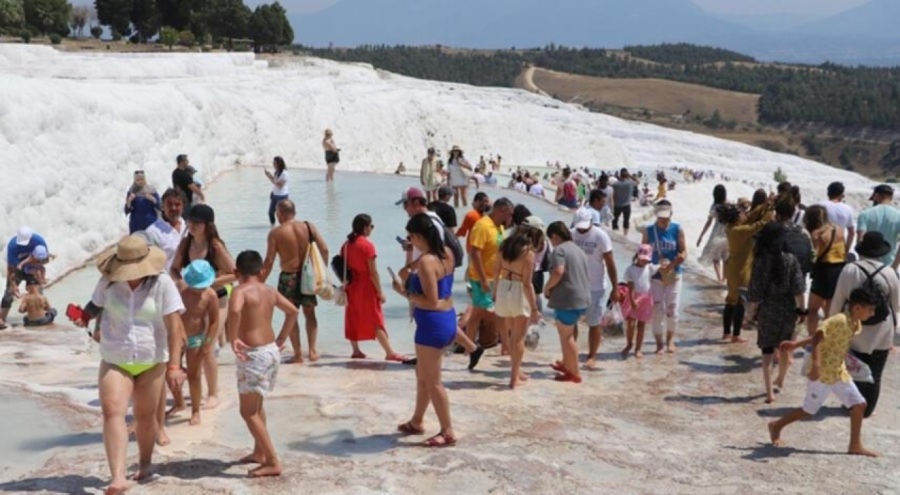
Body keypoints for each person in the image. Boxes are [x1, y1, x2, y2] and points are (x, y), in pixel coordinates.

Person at [72, 235, 187, 493]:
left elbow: (175, 327)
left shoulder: (162, 284)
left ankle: (145, 463)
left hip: (151, 359)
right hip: (115, 357)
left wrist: (175, 366)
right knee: (112, 411)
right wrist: (85, 316)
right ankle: (118, 477)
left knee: (145, 418)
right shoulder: (109, 282)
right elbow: (94, 305)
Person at [768, 287, 878, 458]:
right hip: (822, 373)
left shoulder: (856, 324)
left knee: (859, 405)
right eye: (870, 309)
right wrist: (816, 365)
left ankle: (855, 445)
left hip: (838, 372)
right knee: (809, 410)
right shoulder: (839, 320)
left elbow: (823, 337)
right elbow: (819, 335)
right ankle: (776, 425)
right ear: (857, 308)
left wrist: (796, 345)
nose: (872, 314)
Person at [227, 250, 300, 477]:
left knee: (247, 412)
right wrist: (281, 338)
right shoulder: (269, 290)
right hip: (270, 351)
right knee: (257, 406)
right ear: (261, 271)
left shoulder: (239, 290)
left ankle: (272, 460)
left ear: (236, 272)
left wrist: (233, 338)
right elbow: (293, 311)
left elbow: (235, 310)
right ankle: (260, 452)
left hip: (253, 355)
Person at [392, 213, 458, 447]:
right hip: (446, 318)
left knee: (433, 381)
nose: (411, 242)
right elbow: (439, 293)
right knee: (423, 375)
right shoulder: (447, 254)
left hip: (432, 324)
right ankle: (417, 420)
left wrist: (404, 292)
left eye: (411, 237)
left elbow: (430, 300)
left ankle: (447, 430)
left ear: (419, 236)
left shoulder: (427, 262)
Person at [398, 187, 483, 368]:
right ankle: (472, 348)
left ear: (415, 203)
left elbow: (435, 249)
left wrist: (413, 271)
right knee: (439, 311)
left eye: (406, 205)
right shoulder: (427, 220)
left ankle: (428, 353)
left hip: (431, 273)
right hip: (430, 271)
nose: (405, 209)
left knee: (431, 308)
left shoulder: (429, 222)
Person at [171, 204, 236, 410]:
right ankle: (190, 390)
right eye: (189, 221)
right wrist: (181, 281)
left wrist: (210, 283)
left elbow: (235, 273)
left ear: (207, 224)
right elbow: (174, 268)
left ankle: (213, 393)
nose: (191, 225)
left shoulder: (215, 246)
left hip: (217, 297)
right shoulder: (186, 243)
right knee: (188, 343)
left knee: (208, 345)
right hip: (191, 299)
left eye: (196, 222)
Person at [829, 232, 899, 418]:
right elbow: (896, 305)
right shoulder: (889, 272)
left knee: (853, 369)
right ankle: (867, 410)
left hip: (854, 327)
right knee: (875, 372)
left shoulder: (850, 269)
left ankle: (852, 404)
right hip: (882, 331)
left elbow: (838, 300)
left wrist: (832, 325)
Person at [746, 222, 807, 403]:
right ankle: (780, 378)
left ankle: (768, 393)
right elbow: (799, 289)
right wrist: (802, 310)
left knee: (766, 351)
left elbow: (755, 292)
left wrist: (751, 313)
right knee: (784, 346)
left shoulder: (761, 260)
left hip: (768, 310)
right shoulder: (790, 259)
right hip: (788, 309)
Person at [261, 200, 328, 363]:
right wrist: (321, 272)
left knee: (290, 314)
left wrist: (260, 282)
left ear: (280, 213)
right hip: (308, 276)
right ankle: (312, 351)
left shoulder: (276, 233)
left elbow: (269, 261)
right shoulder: (309, 227)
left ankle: (298, 354)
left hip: (288, 277)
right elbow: (324, 249)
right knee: (310, 314)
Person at [342, 214, 407, 361]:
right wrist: (380, 292)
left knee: (352, 316)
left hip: (351, 285)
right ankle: (389, 352)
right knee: (375, 318)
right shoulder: (367, 245)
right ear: (365, 228)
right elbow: (373, 273)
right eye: (371, 226)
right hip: (366, 286)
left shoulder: (346, 245)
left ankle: (356, 350)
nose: (372, 229)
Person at [494, 216, 544, 388]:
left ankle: (516, 371)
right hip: (517, 290)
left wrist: (495, 293)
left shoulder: (505, 245)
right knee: (519, 337)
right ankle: (514, 378)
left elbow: (496, 270)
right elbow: (527, 283)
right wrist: (535, 308)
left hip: (503, 287)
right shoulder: (528, 253)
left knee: (511, 335)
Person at [570, 208, 620, 369]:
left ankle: (592, 355)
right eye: (579, 226)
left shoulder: (601, 236)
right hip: (575, 285)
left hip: (596, 286)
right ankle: (572, 353)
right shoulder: (571, 234)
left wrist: (616, 287)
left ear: (591, 222)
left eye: (584, 226)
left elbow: (611, 263)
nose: (582, 229)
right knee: (571, 322)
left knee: (594, 323)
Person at [719, 201, 773, 342]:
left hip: (733, 268)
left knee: (731, 299)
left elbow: (751, 217)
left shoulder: (732, 228)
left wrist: (764, 204)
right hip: (741, 269)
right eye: (742, 214)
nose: (745, 215)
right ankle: (735, 335)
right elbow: (760, 224)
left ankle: (726, 333)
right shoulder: (740, 231)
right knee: (739, 301)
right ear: (737, 218)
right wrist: (770, 211)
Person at [545, 222, 591, 383]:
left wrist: (546, 287)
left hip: (567, 299)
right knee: (567, 334)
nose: (551, 243)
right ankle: (567, 364)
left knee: (567, 337)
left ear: (555, 236)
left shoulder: (559, 250)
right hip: (582, 297)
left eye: (550, 240)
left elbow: (558, 272)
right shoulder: (578, 249)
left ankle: (575, 373)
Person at [466, 198, 514, 352]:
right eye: (509, 214)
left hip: (498, 278)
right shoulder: (482, 226)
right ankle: (469, 348)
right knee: (477, 314)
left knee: (501, 313)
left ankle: (506, 347)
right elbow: (475, 253)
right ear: (501, 210)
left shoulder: (498, 226)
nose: (510, 218)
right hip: (482, 278)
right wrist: (483, 279)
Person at [642, 200, 687, 353]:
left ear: (671, 214)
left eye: (666, 217)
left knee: (672, 309)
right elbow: (642, 253)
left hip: (673, 275)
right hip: (655, 275)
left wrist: (674, 263)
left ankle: (670, 340)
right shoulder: (649, 231)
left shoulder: (677, 229)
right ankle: (659, 344)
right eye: (660, 217)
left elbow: (683, 252)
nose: (663, 220)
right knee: (657, 310)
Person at [179, 259, 219, 426]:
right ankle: (178, 402)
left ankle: (196, 410)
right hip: (177, 336)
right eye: (197, 286)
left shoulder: (210, 295)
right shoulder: (180, 289)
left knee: (194, 376)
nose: (200, 289)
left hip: (197, 337)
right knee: (170, 372)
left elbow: (215, 321)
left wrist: (208, 343)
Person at [805, 204, 847, 337]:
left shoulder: (816, 234)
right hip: (839, 270)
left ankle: (813, 340)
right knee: (830, 309)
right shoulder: (839, 229)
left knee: (812, 310)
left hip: (824, 271)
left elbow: (814, 256)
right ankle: (829, 339)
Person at [1, 227, 48, 329]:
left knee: (38, 294)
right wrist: (13, 285)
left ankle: (39, 318)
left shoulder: (39, 241)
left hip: (33, 269)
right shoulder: (13, 246)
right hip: (17, 270)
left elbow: (45, 260)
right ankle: (2, 319)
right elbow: (10, 268)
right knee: (9, 293)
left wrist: (36, 269)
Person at [621, 244, 655, 359]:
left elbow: (663, 268)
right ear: (637, 256)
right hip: (633, 297)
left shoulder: (649, 268)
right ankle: (629, 343)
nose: (643, 262)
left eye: (646, 260)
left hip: (646, 298)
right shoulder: (630, 269)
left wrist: (672, 263)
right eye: (641, 259)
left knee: (641, 325)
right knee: (631, 323)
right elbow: (630, 286)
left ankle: (638, 348)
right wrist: (632, 300)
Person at [141, 188, 188, 272]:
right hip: (168, 282)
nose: (173, 208)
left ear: (183, 207)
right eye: (169, 204)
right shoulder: (152, 232)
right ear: (163, 206)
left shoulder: (189, 228)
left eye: (177, 204)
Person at [856, 184, 900, 269]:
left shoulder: (864, 214)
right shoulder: (898, 216)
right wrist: (895, 266)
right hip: (889, 265)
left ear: (876, 195)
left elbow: (860, 240)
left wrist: (861, 262)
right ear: (891, 197)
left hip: (867, 264)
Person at [696, 184, 729, 283]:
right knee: (725, 257)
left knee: (716, 257)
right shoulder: (729, 204)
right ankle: (724, 279)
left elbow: (709, 222)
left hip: (717, 233)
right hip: (727, 233)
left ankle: (719, 279)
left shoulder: (714, 206)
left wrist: (701, 236)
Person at [819, 181, 855, 256]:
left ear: (828, 193)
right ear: (841, 194)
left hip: (821, 245)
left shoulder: (819, 205)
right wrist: (846, 249)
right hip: (839, 248)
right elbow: (851, 232)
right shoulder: (847, 209)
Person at [265, 156, 289, 227]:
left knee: (281, 214)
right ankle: (272, 226)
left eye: (275, 163)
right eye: (273, 163)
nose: (273, 165)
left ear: (279, 163)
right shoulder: (276, 172)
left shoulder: (285, 173)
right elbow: (274, 183)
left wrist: (271, 177)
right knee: (270, 212)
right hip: (275, 195)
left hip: (282, 196)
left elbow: (280, 185)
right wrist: (269, 176)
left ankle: (285, 227)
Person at [611, 168, 636, 235]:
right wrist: (630, 175)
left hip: (617, 205)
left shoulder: (615, 184)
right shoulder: (630, 183)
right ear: (626, 174)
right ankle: (625, 236)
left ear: (620, 174)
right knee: (626, 221)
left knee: (615, 220)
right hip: (627, 205)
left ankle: (615, 235)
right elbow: (638, 181)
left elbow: (612, 195)